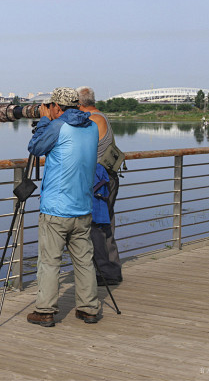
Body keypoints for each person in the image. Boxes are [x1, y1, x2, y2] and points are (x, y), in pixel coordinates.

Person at [26, 87, 100, 327]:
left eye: (51, 106)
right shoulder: (91, 127)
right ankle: (89, 308)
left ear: (57, 106)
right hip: (83, 206)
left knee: (49, 261)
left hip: (56, 209)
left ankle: (45, 311)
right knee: (84, 260)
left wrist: (45, 120)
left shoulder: (58, 126)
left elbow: (35, 148)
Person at [77, 86, 123, 285]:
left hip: (101, 181)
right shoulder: (99, 116)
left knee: (98, 226)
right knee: (104, 224)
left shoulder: (94, 120)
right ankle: (109, 270)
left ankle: (107, 272)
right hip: (104, 179)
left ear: (79, 104)